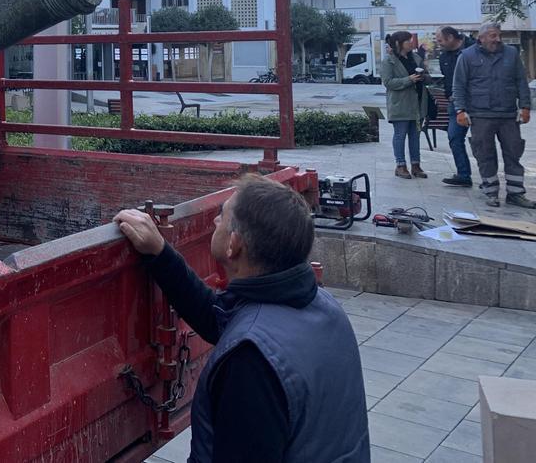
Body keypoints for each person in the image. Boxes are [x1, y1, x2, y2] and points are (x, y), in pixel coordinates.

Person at [113, 176, 369, 463]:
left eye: (221, 217)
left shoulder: (251, 361)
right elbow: (218, 317)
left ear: (233, 245)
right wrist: (160, 253)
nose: (214, 222)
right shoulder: (323, 307)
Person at [452, 21, 535, 208]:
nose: (498, 39)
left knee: (514, 153)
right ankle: (491, 192)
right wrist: (460, 110)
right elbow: (459, 86)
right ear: (480, 38)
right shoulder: (467, 56)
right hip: (480, 115)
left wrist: (525, 106)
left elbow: (521, 81)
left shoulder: (511, 54)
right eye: (493, 35)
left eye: (499, 35)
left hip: (508, 114)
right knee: (485, 154)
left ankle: (516, 193)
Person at [381, 30, 429, 180]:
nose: (411, 43)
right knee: (400, 135)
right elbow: (388, 82)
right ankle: (400, 165)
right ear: (398, 43)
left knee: (415, 135)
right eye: (408, 41)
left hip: (417, 103)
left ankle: (416, 164)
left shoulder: (416, 58)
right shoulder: (389, 61)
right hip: (400, 104)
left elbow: (427, 76)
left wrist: (423, 77)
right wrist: (408, 80)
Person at [436, 26, 476, 187]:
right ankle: (463, 174)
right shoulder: (444, 56)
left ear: (451, 38)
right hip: (455, 102)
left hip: (477, 102)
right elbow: (448, 79)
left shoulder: (474, 49)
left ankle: (489, 179)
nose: (438, 44)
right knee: (454, 137)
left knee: (481, 141)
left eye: (440, 40)